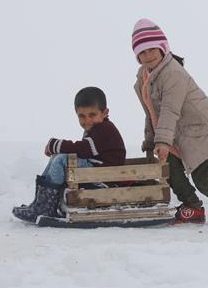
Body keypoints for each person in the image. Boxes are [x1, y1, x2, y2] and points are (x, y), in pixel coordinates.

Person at [131, 18, 208, 224]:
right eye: (142, 52)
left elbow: (169, 110)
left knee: (203, 180)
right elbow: (151, 112)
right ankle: (193, 207)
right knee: (168, 169)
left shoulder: (173, 74)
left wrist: (162, 142)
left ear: (163, 48)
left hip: (203, 133)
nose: (148, 56)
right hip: (177, 136)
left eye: (152, 50)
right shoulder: (144, 77)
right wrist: (152, 139)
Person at [11, 86, 126, 223]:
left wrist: (55, 145)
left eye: (92, 115)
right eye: (82, 116)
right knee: (57, 158)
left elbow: (83, 149)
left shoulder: (105, 130)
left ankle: (46, 207)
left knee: (61, 159)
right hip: (96, 171)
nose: (87, 120)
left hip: (105, 178)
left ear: (105, 112)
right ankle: (40, 204)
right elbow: (85, 151)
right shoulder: (97, 128)